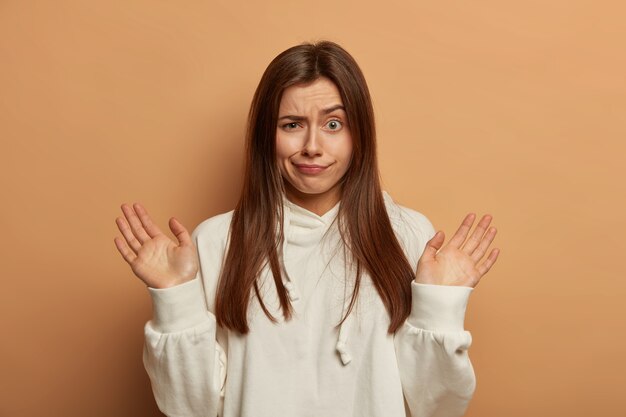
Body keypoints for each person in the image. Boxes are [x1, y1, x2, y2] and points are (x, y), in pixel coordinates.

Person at [114, 40, 500, 417]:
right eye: (292, 124)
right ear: (268, 134)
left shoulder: (408, 235)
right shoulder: (216, 241)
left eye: (334, 124)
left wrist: (441, 307)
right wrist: (174, 299)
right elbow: (190, 409)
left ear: (359, 135)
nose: (312, 145)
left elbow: (439, 406)